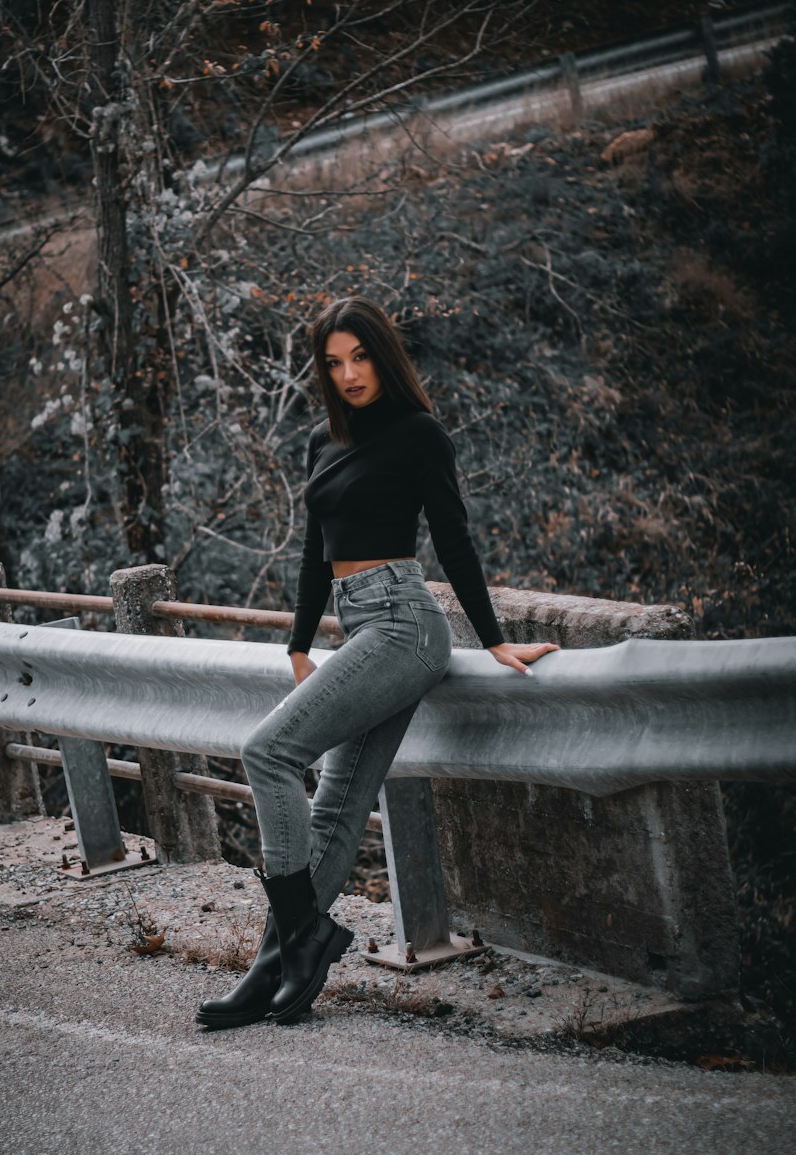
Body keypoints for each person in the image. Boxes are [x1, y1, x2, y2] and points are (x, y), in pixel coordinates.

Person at [196, 297, 559, 1030]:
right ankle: (277, 966)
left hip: (403, 623)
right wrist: (299, 642)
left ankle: (301, 938)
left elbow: (454, 539)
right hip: (356, 622)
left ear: (382, 356)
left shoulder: (420, 434)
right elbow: (313, 551)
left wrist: (491, 640)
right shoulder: (321, 445)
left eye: (359, 357)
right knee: (331, 808)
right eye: (334, 363)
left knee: (266, 752)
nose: (349, 373)